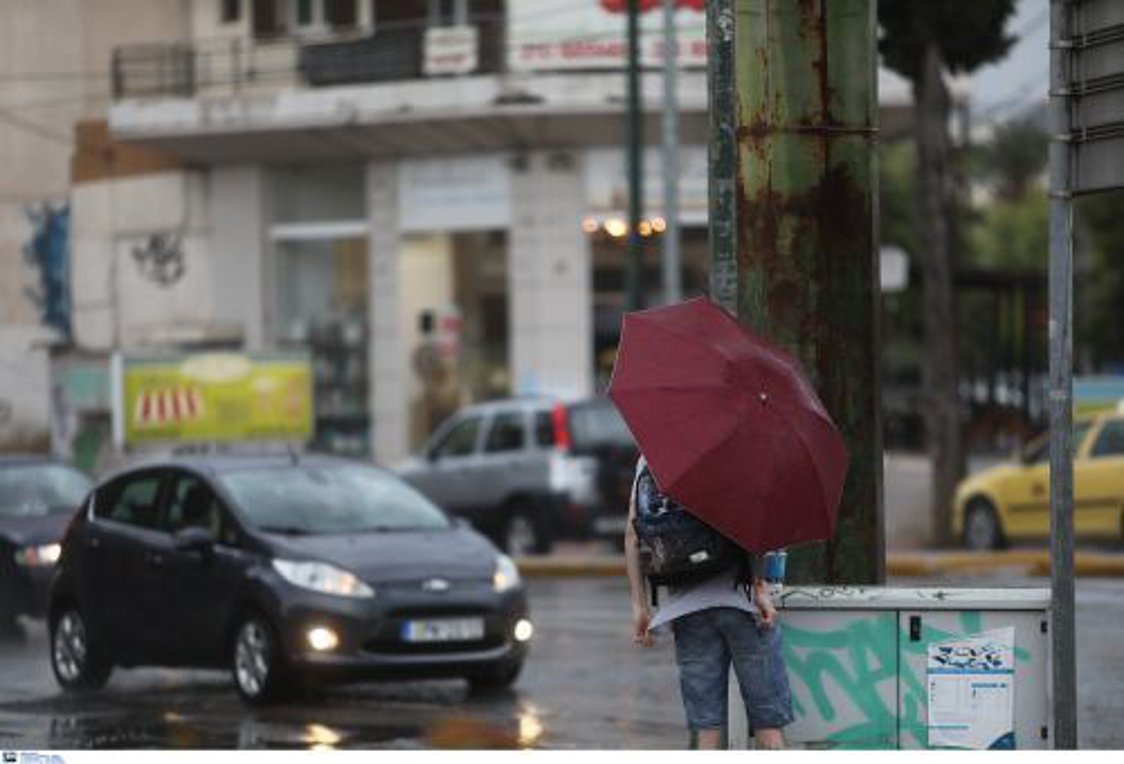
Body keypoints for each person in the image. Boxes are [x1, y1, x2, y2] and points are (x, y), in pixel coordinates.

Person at [625, 456, 794, 750]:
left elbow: (632, 534)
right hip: (742, 604)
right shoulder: (728, 445)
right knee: (768, 726)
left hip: (687, 608)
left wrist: (640, 606)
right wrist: (759, 586)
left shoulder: (649, 455)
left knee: (707, 730)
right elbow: (749, 519)